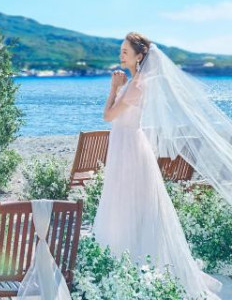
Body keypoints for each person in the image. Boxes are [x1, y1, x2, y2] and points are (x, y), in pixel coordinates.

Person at [93, 32, 222, 298]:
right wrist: (119, 87)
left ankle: (134, 262)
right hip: (124, 147)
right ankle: (120, 260)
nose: (122, 55)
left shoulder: (137, 84)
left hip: (130, 150)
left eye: (126, 51)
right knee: (122, 203)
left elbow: (108, 116)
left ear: (140, 56)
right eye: (121, 50)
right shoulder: (134, 82)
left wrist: (113, 88)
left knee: (132, 205)